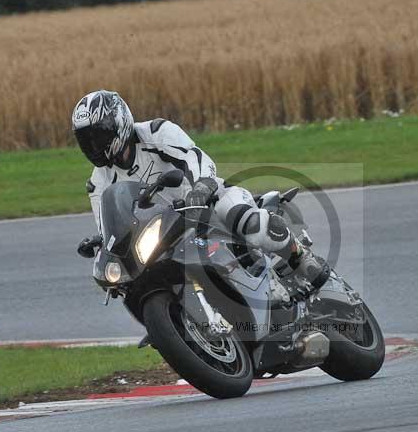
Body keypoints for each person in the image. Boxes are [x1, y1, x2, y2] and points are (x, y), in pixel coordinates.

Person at [72, 89, 329, 292]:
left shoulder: (156, 132)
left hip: (206, 203)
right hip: (165, 231)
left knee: (240, 216)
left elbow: (194, 158)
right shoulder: (98, 182)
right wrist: (102, 244)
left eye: (99, 137)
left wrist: (201, 186)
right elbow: (107, 222)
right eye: (86, 141)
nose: (94, 146)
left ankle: (301, 257)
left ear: (118, 123)